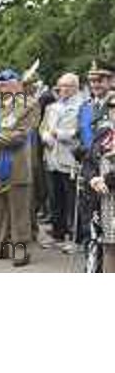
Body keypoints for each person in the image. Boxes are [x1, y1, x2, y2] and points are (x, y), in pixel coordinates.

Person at [0, 69, 40, 267]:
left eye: (6, 83)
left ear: (18, 85)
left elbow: (21, 134)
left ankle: (21, 249)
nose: (1, 86)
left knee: (19, 210)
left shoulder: (29, 105)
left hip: (16, 165)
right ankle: (1, 245)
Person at [39, 73, 84, 246]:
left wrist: (59, 134)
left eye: (67, 86)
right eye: (60, 86)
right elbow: (43, 127)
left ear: (75, 87)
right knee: (55, 197)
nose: (63, 89)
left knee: (72, 199)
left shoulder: (82, 106)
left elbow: (80, 132)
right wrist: (45, 136)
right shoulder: (52, 107)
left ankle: (75, 236)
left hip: (70, 157)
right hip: (52, 157)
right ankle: (58, 233)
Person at [85, 93, 115, 272]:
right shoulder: (104, 132)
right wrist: (93, 178)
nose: (114, 111)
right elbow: (88, 161)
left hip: (108, 187)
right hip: (104, 199)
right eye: (111, 106)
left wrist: (105, 180)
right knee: (108, 247)